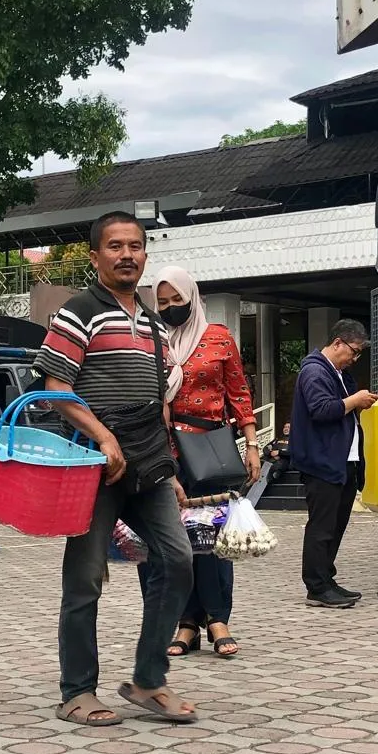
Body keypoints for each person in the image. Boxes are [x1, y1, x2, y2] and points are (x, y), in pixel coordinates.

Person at [37, 210, 196, 727]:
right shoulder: (77, 311)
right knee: (85, 580)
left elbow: (156, 404)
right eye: (115, 246)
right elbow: (56, 390)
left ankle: (148, 679)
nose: (126, 254)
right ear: (94, 256)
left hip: (149, 462)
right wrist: (104, 438)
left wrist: (168, 470)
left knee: (178, 561)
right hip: (93, 464)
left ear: (145, 254)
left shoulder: (152, 322)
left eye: (135, 246)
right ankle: (76, 691)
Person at [152, 265, 259, 659]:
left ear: (191, 298)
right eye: (161, 302)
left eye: (176, 300)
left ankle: (218, 618)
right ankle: (186, 622)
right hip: (168, 451)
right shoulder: (153, 340)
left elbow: (239, 393)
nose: (169, 308)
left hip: (212, 449)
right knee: (177, 543)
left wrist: (251, 444)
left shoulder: (218, 338)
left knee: (211, 539)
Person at [291, 320, 378, 609]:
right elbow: (321, 409)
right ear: (338, 342)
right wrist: (355, 399)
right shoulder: (315, 370)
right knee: (322, 526)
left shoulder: (338, 373)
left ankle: (327, 579)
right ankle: (316, 586)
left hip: (342, 461)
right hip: (322, 462)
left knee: (336, 525)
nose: (354, 359)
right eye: (353, 351)